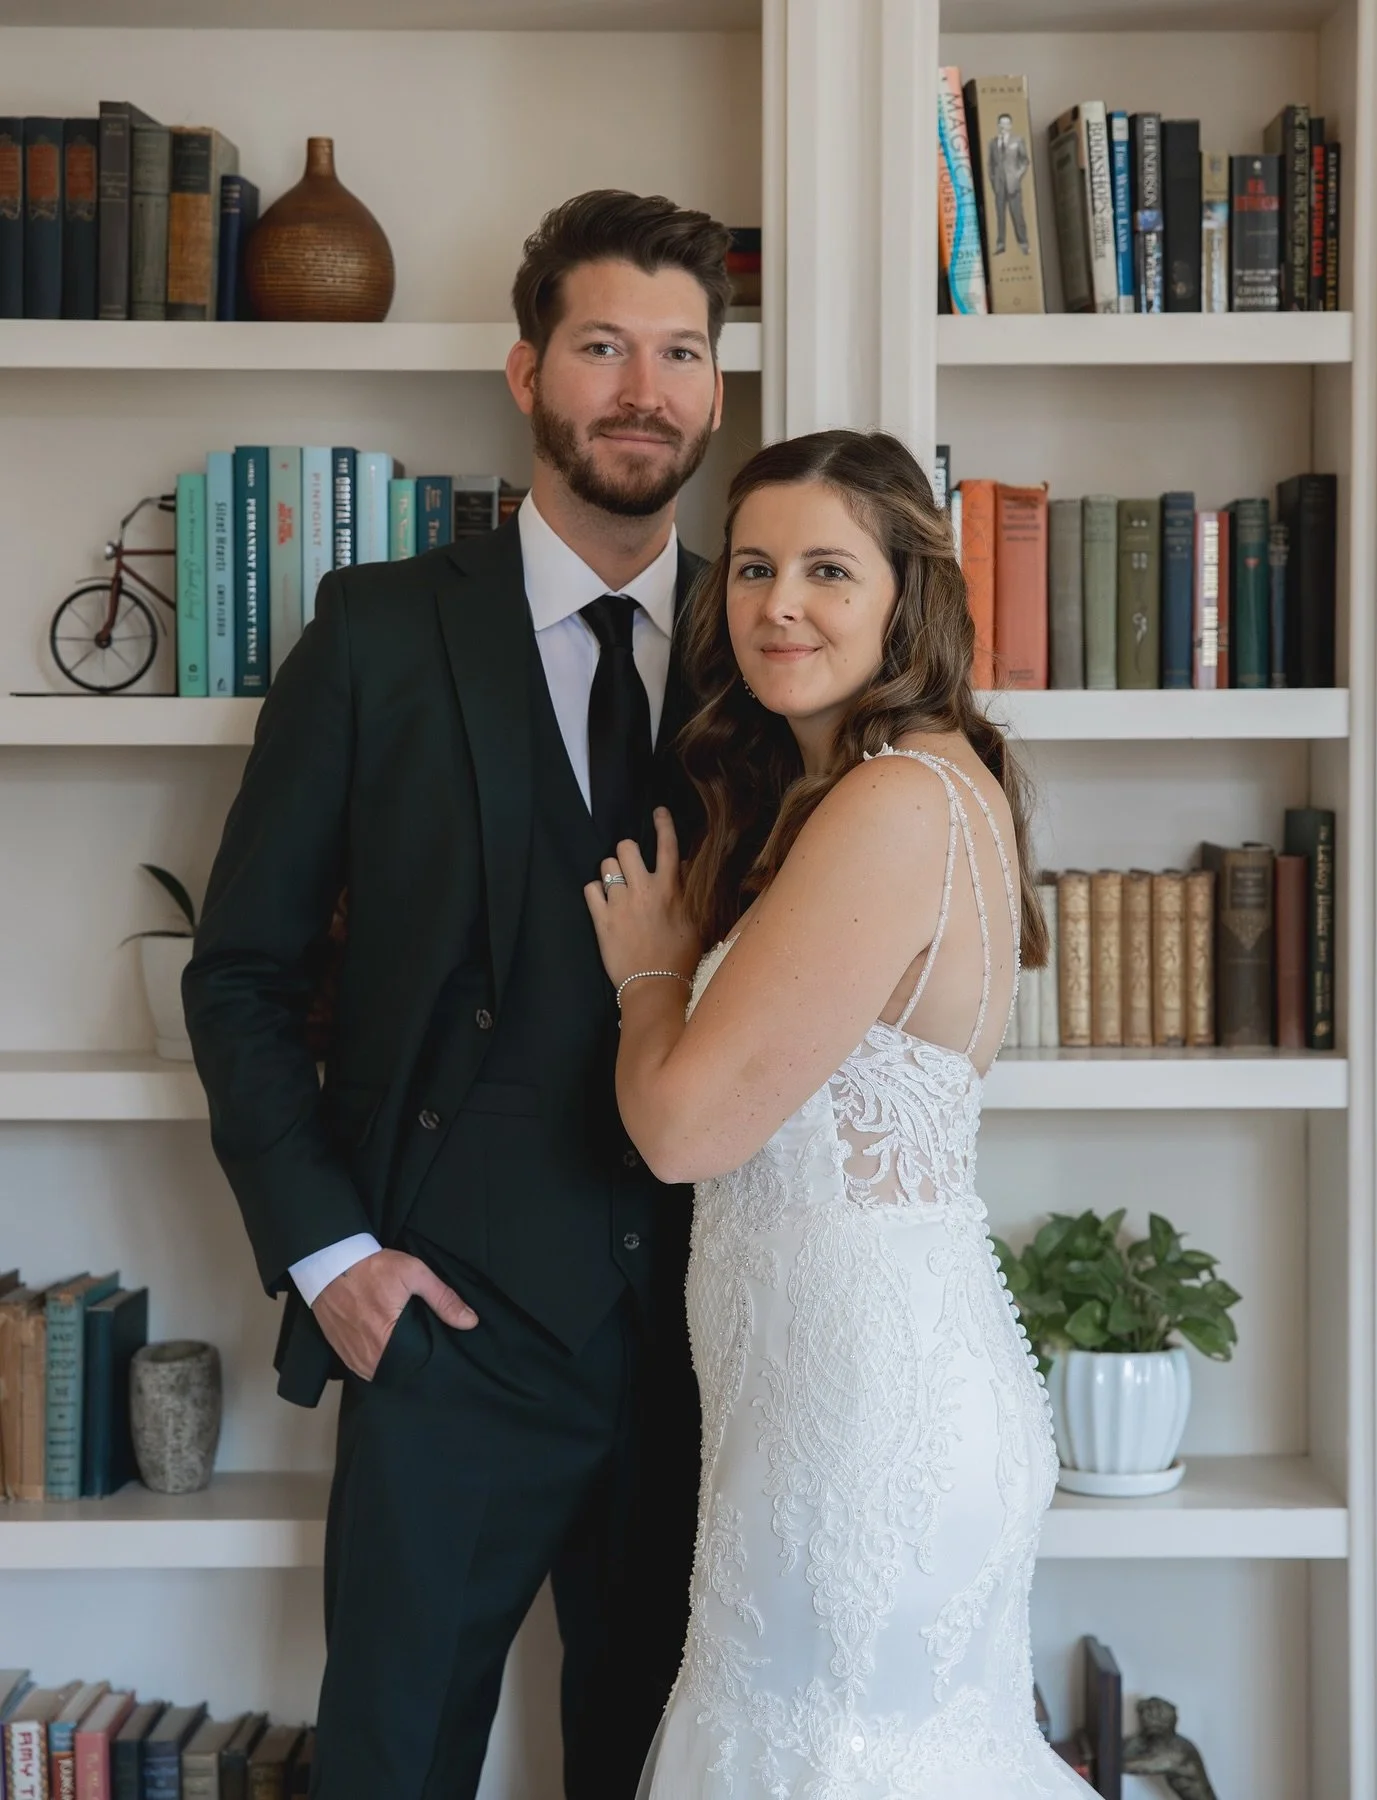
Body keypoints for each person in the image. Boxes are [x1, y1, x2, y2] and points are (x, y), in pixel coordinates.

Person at [182, 188, 730, 1800]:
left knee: (672, 1772)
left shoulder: (766, 645)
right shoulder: (377, 636)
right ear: (526, 371)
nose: (645, 389)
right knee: (394, 1767)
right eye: (605, 346)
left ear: (716, 390)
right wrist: (331, 1260)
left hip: (716, 1344)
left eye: (683, 352)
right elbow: (241, 974)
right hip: (447, 1341)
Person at [585, 429, 1091, 1798]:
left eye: (827, 570)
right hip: (845, 1394)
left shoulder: (891, 803)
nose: (779, 606)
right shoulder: (893, 789)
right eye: (752, 569)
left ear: (904, 595)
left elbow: (683, 1131)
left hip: (865, 1427)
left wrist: (650, 975)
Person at [988, 110, 1032, 255]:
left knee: (1017, 215)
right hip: (999, 186)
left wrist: (1017, 175)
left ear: (1011, 125)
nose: (1004, 126)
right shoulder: (992, 143)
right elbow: (990, 164)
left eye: (1007, 124)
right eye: (1001, 123)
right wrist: (993, 181)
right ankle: (1000, 245)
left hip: (1013, 185)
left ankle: (1023, 243)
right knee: (1000, 217)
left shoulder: (1017, 140)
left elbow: (1025, 161)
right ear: (998, 125)